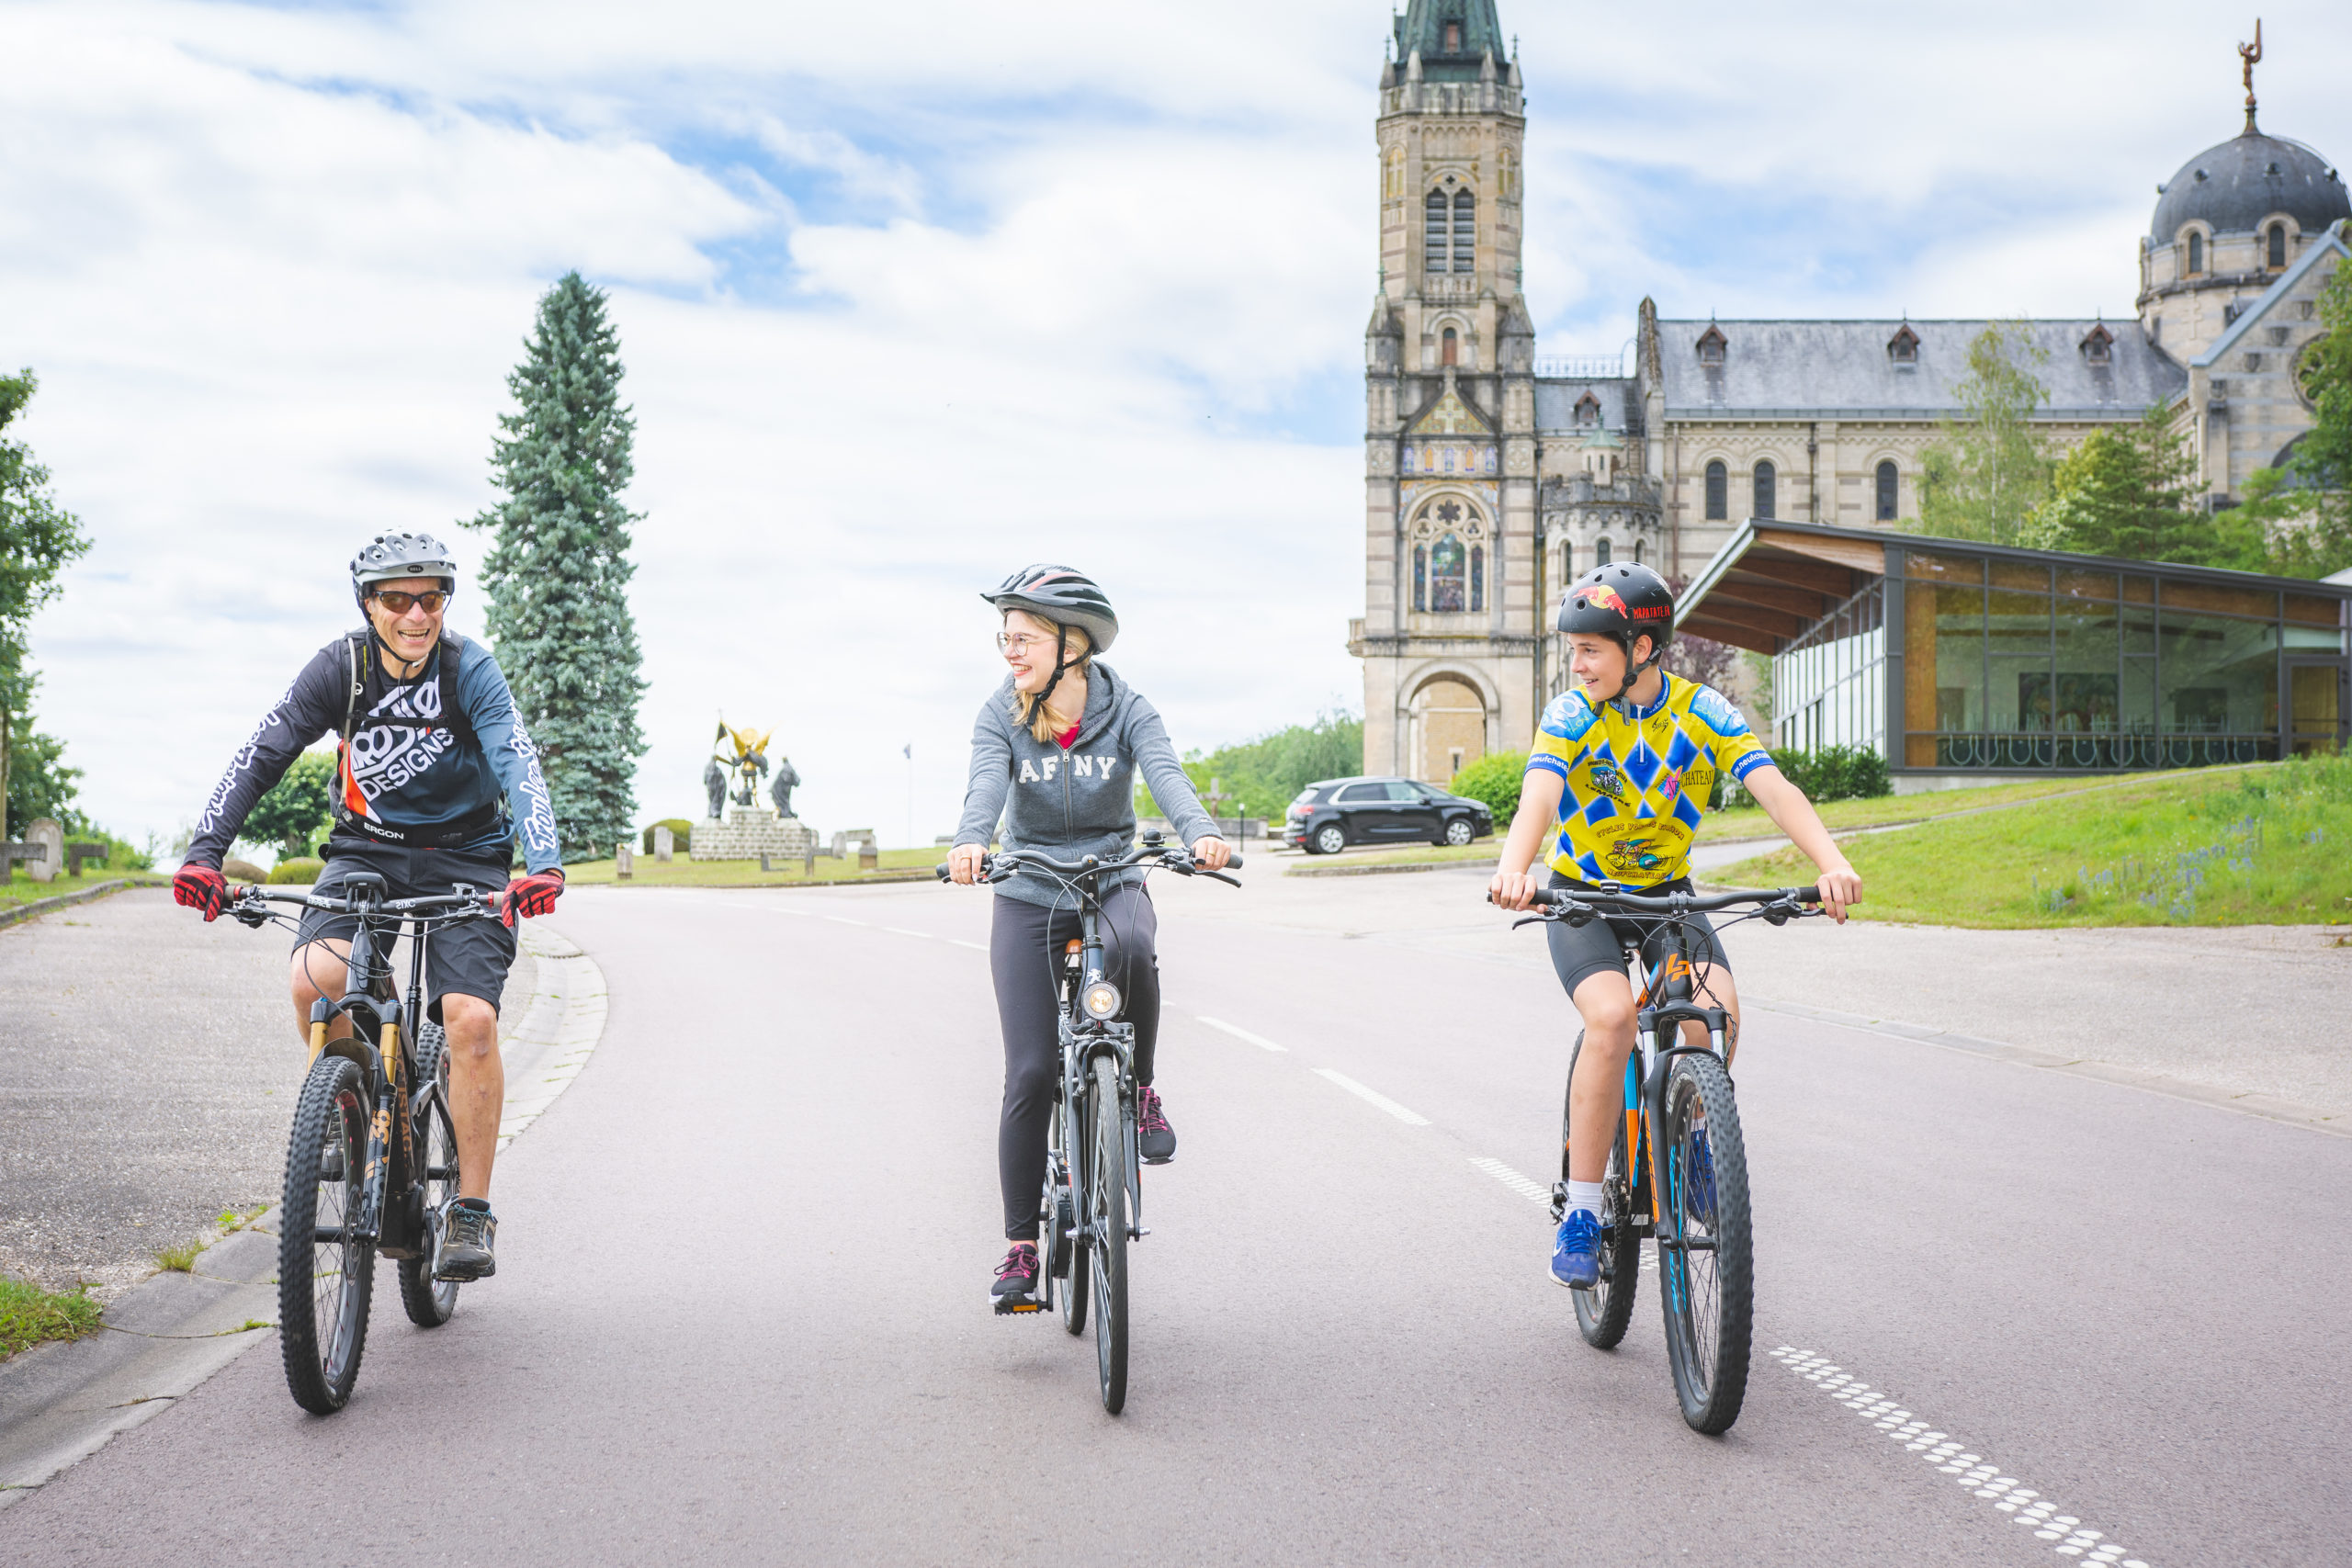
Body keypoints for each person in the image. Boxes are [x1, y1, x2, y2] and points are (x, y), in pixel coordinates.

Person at [171, 531, 565, 1282]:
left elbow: (516, 758)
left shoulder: (469, 668)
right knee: (314, 979)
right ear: (367, 604)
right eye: (397, 599)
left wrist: (540, 863)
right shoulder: (340, 668)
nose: (416, 615)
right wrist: (205, 852)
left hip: (468, 853)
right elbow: (265, 751)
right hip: (366, 851)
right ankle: (350, 1112)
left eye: (431, 598)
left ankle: (471, 1212)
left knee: (471, 1021)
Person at [1487, 563, 1861, 1291]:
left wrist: (1830, 861)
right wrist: (1513, 869)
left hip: (1669, 898)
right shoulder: (1570, 715)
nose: (1577, 661)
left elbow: (1774, 790)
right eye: (1575, 648)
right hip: (1582, 900)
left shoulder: (1703, 712)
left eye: (1592, 647)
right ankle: (1586, 1210)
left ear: (1645, 648)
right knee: (1614, 1018)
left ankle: (1689, 1134)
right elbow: (1538, 797)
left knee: (1716, 1013)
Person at [945, 565, 1231, 1310]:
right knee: (1032, 1071)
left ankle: (1138, 1092)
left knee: (1134, 949)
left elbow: (1167, 775)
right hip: (1029, 888)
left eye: (1024, 636)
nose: (1010, 649)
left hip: (1112, 874)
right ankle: (1020, 1246)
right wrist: (972, 841)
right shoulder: (999, 713)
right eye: (1004, 636)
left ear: (1073, 644)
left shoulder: (1125, 705)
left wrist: (1199, 832)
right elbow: (985, 785)